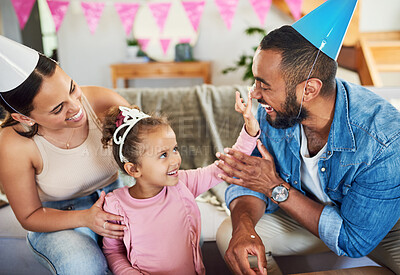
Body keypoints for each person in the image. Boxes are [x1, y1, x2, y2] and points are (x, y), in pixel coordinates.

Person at [214, 0, 400, 274]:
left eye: (264, 85)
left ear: (310, 90)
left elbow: (355, 240)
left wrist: (276, 187)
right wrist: (245, 228)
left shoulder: (383, 141)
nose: (254, 94)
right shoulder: (277, 112)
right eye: (256, 82)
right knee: (230, 232)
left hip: (380, 227)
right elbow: (248, 180)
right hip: (306, 213)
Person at [0, 35, 130, 274]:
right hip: (58, 216)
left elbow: (151, 150)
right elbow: (29, 215)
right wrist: (86, 218)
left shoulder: (104, 103)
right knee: (83, 266)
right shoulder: (13, 143)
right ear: (24, 118)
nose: (76, 107)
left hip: (118, 198)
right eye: (58, 108)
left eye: (72, 88)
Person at [100, 90, 260, 275]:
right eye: (163, 155)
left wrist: (250, 131)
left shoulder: (182, 184)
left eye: (175, 149)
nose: (175, 159)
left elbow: (225, 167)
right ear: (134, 169)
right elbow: (113, 251)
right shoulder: (116, 205)